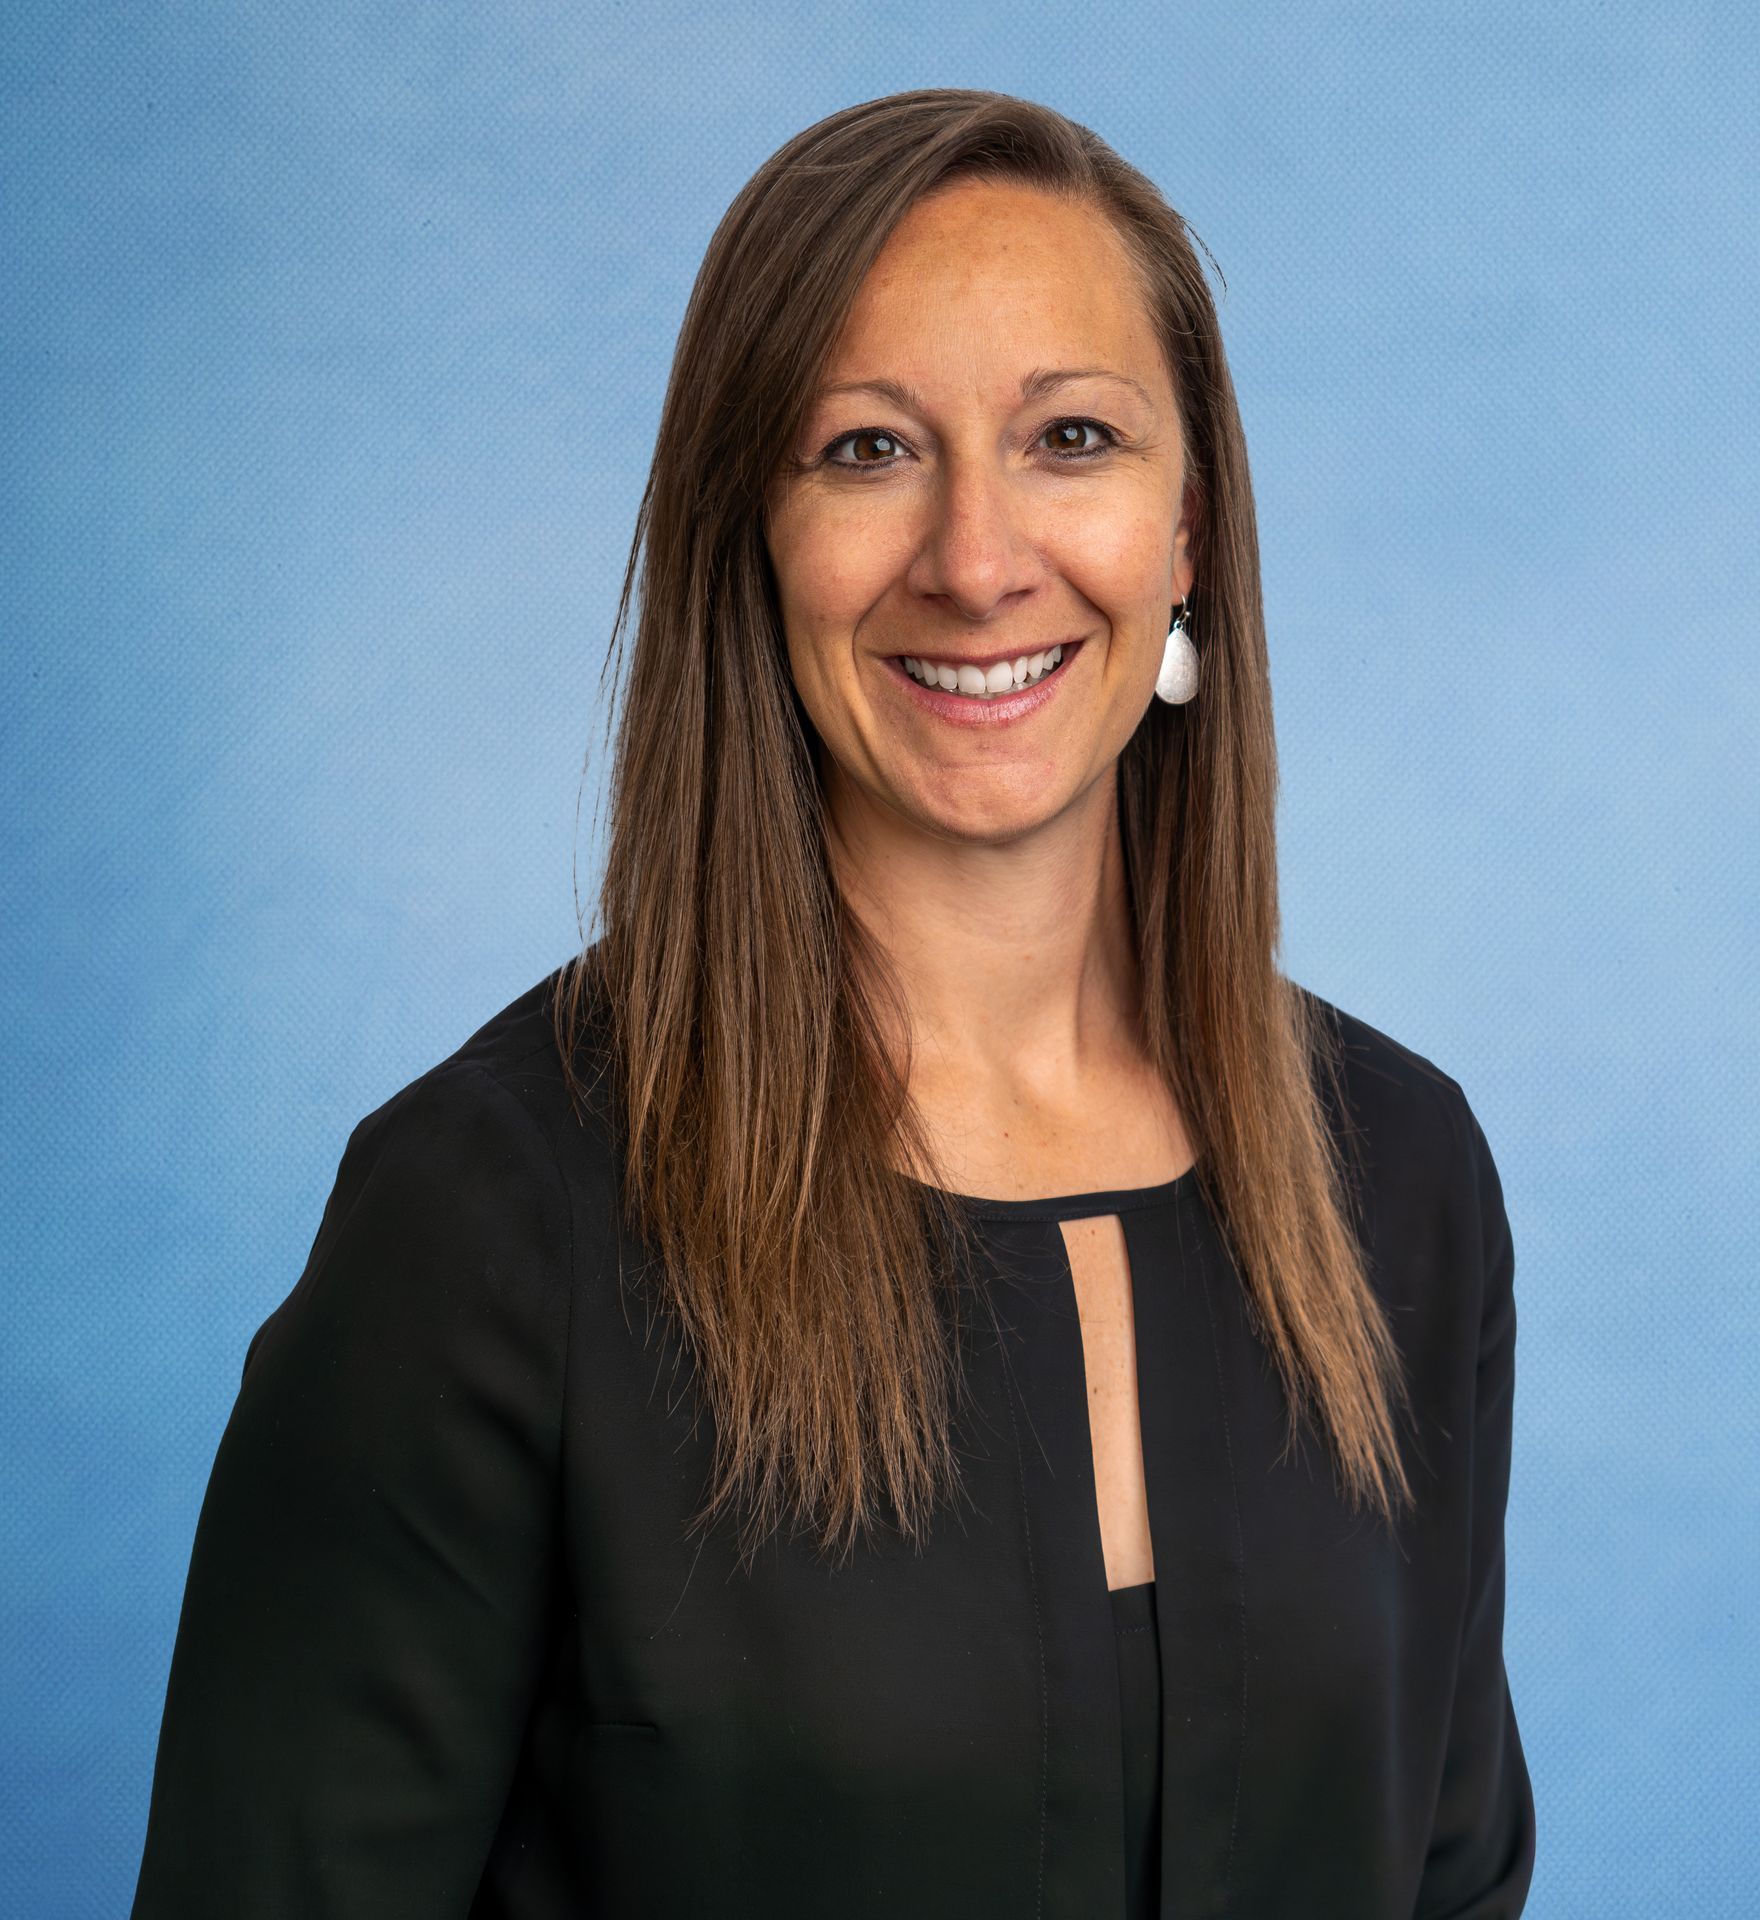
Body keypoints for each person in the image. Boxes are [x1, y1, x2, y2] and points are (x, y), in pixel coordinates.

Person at [130, 88, 1535, 1918]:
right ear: (750, 538)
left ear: (1188, 536)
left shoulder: (1401, 1183)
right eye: (867, 451)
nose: (974, 555)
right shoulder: (491, 1227)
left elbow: (1452, 1881)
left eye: (1075, 438)